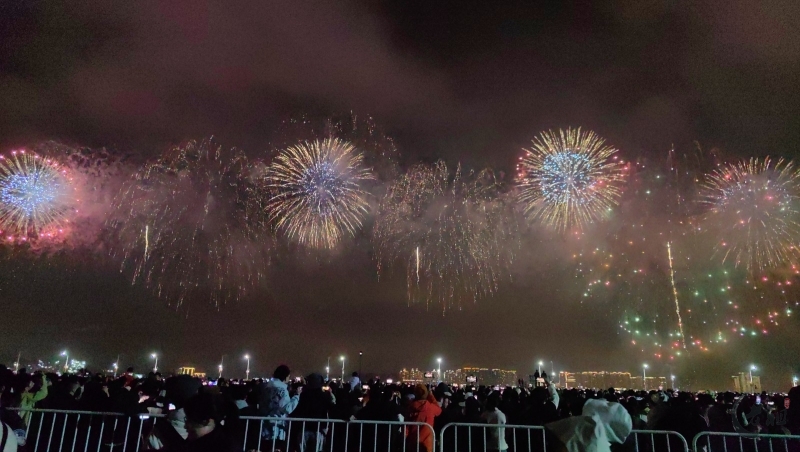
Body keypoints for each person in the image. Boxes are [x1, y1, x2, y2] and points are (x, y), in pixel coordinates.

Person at [258, 365, 300, 444]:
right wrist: (296, 396)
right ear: (285, 376)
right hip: (277, 427)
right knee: (276, 446)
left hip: (265, 425)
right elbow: (287, 408)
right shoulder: (282, 390)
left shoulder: (266, 388)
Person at [405, 384, 441, 452]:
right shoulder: (430, 407)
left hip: (413, 442)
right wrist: (431, 395)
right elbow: (439, 410)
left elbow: (406, 426)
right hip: (427, 444)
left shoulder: (410, 407)